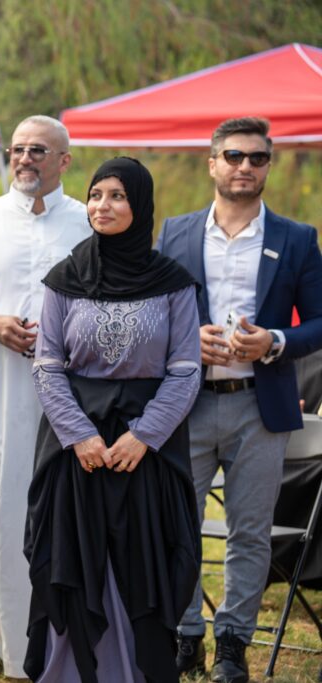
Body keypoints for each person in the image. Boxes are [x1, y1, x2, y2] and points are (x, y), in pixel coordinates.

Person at [157, 117, 322, 683]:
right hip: (188, 403)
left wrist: (276, 341)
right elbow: (152, 314)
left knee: (250, 532)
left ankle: (233, 644)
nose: (244, 167)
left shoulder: (297, 238)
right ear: (212, 163)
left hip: (263, 405)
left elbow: (321, 322)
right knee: (176, 525)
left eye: (256, 158)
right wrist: (185, 340)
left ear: (268, 166)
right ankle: (184, 636)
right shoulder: (174, 233)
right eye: (233, 156)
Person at [25, 157, 202, 682]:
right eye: (96, 194)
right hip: (75, 452)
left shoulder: (172, 282)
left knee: (141, 568)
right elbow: (47, 364)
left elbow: (187, 368)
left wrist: (144, 436)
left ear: (141, 205)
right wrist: (78, 435)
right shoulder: (64, 279)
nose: (103, 206)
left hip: (143, 450)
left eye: (118, 196)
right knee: (72, 567)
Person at [0, 115, 90, 679]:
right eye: (17, 150)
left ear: (64, 160)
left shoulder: (88, 223)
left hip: (67, 391)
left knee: (55, 509)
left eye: (38, 150)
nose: (25, 159)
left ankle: (57, 629)